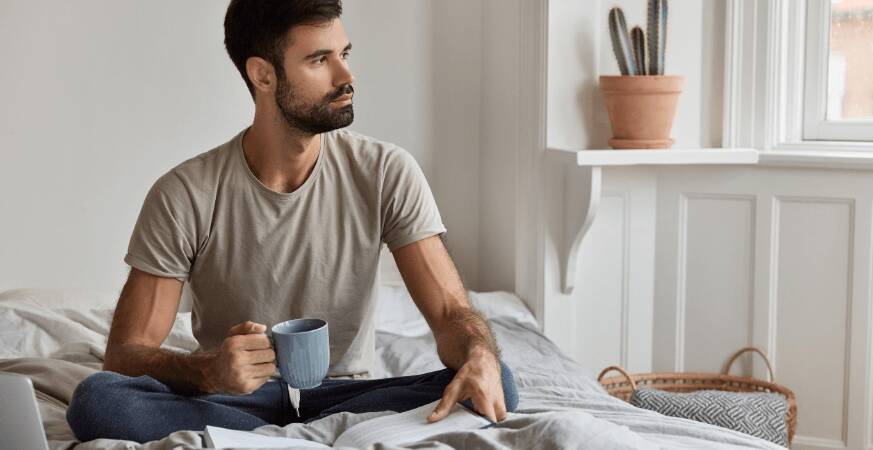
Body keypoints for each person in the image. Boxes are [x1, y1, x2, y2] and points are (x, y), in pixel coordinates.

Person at [66, 0, 517, 444]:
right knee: (98, 402)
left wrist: (479, 354)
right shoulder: (185, 193)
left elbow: (449, 312)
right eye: (320, 60)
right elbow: (125, 354)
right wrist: (210, 370)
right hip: (234, 399)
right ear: (262, 74)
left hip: (346, 396)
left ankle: (275, 438)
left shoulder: (385, 172)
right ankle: (300, 438)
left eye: (344, 54)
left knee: (500, 382)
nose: (346, 76)